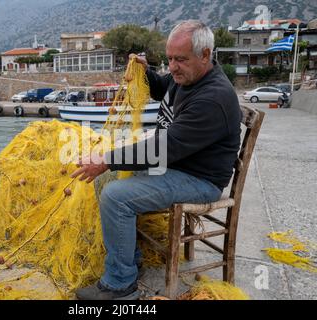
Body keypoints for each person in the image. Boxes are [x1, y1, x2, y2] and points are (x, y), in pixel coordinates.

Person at [71, 20, 242, 300]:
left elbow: (162, 149)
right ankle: (128, 260)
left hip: (200, 179)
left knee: (116, 195)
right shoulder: (186, 78)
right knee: (106, 180)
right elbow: (161, 87)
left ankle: (119, 286)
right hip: (175, 164)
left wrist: (106, 159)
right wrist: (145, 70)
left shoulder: (212, 98)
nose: (173, 67)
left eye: (180, 59)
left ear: (205, 55)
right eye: (170, 59)